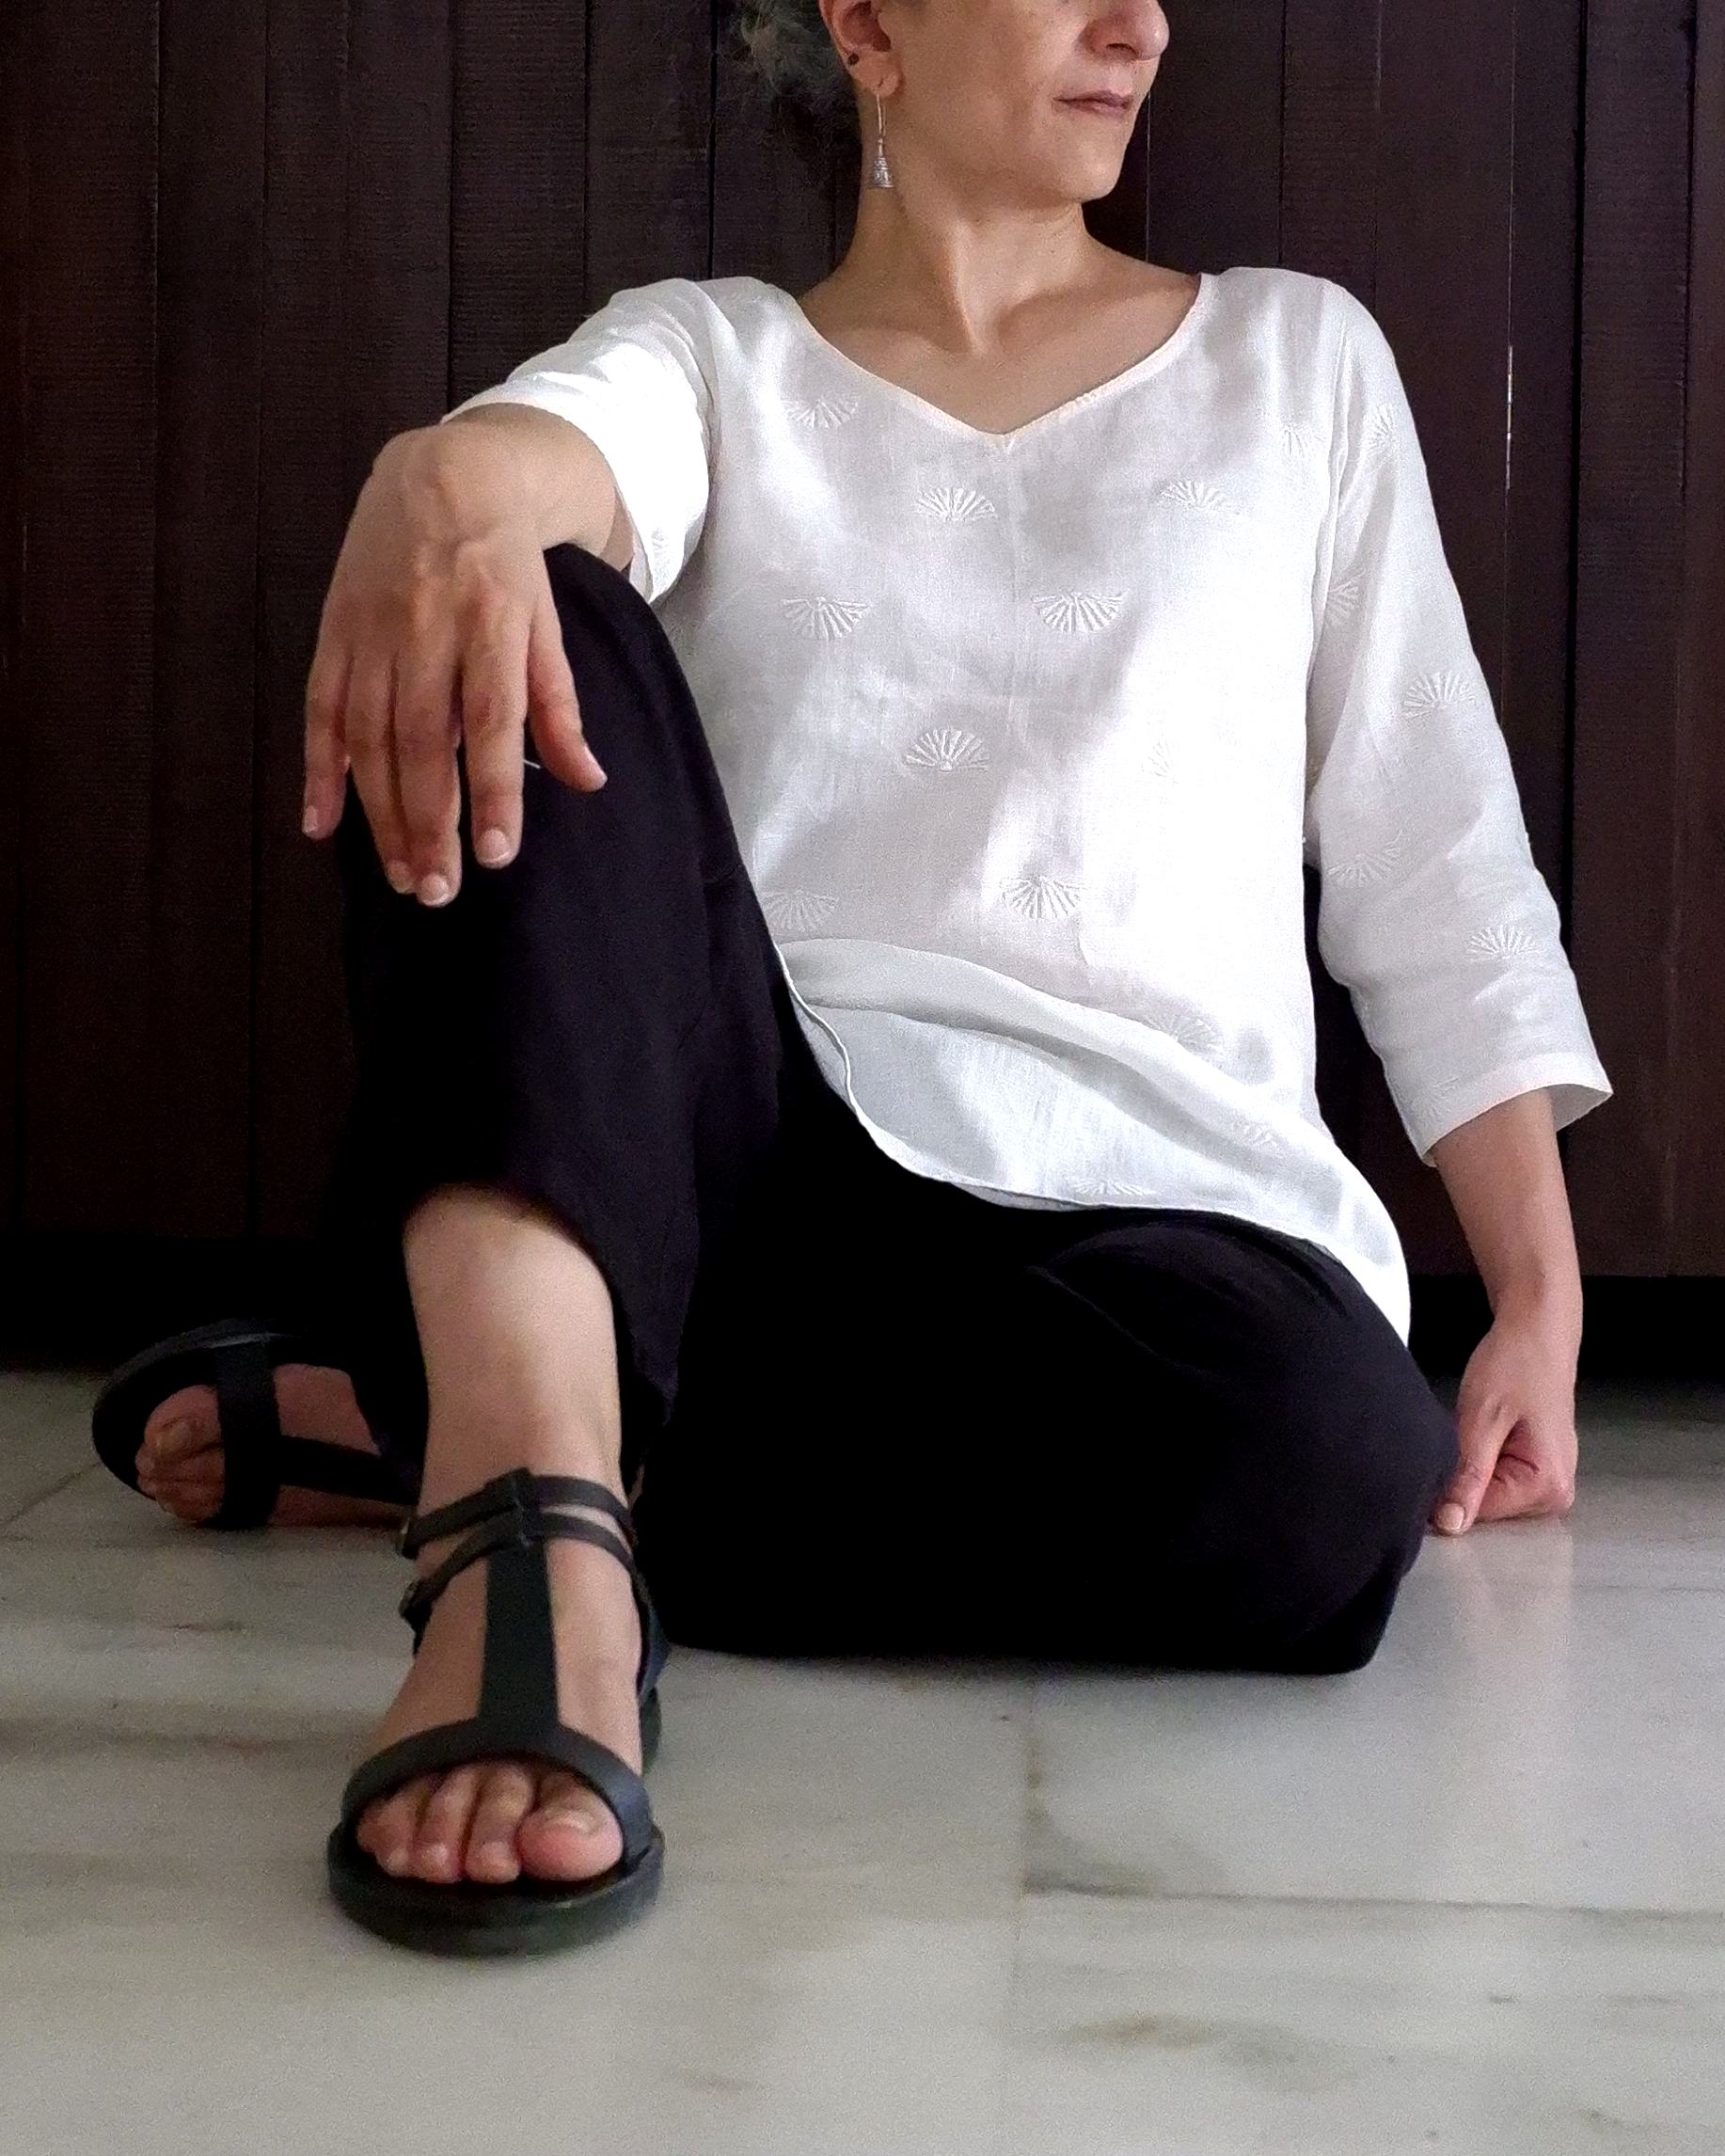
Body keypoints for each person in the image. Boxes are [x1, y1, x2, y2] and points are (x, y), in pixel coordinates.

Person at [119, 0, 1609, 1949]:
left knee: (1328, 1469)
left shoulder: (1294, 364)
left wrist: (1536, 1297)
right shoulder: (712, 361)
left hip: (1168, 1230)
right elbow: (526, 475)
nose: (1140, 23)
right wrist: (439, 489)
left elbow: (1431, 853)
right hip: (761, 1193)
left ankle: (485, 1426)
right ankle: (528, 1560)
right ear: (867, 21)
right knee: (513, 610)